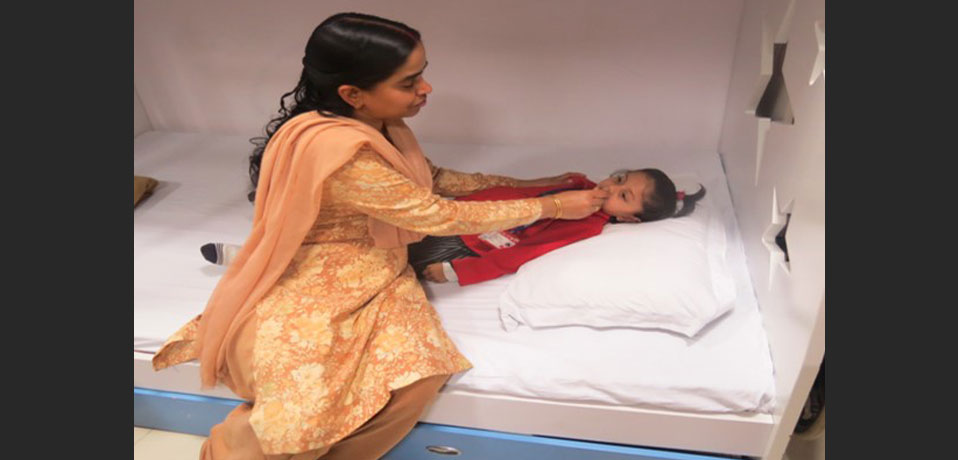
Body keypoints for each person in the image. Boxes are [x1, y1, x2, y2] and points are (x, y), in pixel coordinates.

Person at [150, 12, 607, 460]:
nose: (426, 89)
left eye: (421, 75)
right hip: (323, 274)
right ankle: (239, 450)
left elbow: (432, 178)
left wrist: (536, 184)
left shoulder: (378, 125)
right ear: (354, 94)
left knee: (419, 375)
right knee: (305, 401)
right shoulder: (343, 152)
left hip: (383, 269)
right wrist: (551, 206)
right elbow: (434, 213)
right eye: (409, 83)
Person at [203, 170, 705, 286]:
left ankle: (252, 259)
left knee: (377, 256)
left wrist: (460, 274)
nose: (610, 188)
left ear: (626, 218)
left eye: (622, 196)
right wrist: (450, 197)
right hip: (456, 213)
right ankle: (287, 216)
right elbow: (512, 190)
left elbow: (520, 256)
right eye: (620, 178)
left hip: (461, 243)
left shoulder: (584, 223)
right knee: (371, 219)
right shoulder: (576, 182)